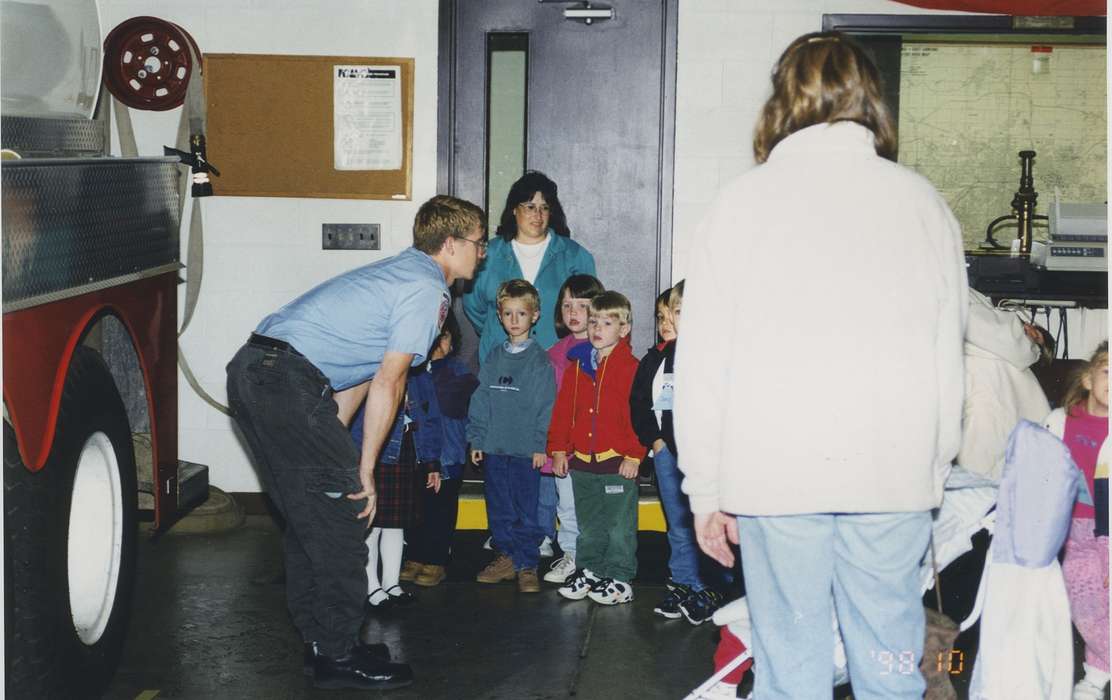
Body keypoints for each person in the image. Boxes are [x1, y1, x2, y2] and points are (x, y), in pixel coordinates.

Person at [674, 32, 967, 700]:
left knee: (792, 668)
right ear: (873, 98)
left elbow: (703, 366)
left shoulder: (739, 204)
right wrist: (933, 471)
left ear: (782, 99)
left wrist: (705, 491)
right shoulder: (923, 204)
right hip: (892, 475)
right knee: (892, 667)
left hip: (775, 476)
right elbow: (948, 361)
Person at [225, 194, 486, 690]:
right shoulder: (426, 289)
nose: (482, 252)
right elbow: (392, 381)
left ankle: (324, 642)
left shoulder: (398, 273)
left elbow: (360, 376)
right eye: (478, 243)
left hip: (260, 373)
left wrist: (342, 454)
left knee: (313, 520)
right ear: (450, 244)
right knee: (343, 519)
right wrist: (363, 470)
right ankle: (338, 657)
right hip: (284, 381)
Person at [630, 281, 724, 625]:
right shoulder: (656, 357)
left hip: (700, 454)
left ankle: (709, 587)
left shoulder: (708, 358)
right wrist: (654, 440)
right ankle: (684, 581)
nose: (667, 320)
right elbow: (640, 402)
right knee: (678, 523)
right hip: (666, 453)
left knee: (703, 519)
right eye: (663, 315)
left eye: (678, 313)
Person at [549, 291, 647, 605]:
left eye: (607, 322)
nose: (597, 328)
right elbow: (564, 410)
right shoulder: (579, 366)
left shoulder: (631, 367)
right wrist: (560, 448)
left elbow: (640, 414)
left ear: (624, 328)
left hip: (617, 463)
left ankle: (619, 577)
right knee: (588, 525)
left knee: (618, 526)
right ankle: (591, 570)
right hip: (582, 463)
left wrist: (634, 454)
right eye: (593, 321)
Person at [468, 279, 557, 593]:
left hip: (524, 452)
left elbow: (545, 407)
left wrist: (538, 445)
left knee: (525, 509)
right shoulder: (494, 356)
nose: (515, 320)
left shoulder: (539, 361)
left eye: (522, 313)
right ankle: (505, 557)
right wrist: (477, 439)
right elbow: (481, 399)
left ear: (534, 316)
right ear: (499, 316)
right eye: (508, 313)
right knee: (499, 506)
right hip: (494, 448)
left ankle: (527, 563)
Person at [463, 170, 596, 365]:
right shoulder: (488, 254)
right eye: (530, 206)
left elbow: (590, 310)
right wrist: (501, 331)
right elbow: (474, 307)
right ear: (514, 210)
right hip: (499, 362)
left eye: (544, 207)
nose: (538, 215)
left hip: (557, 363)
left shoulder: (575, 256)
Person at [1044, 342, 1109, 700]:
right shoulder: (1060, 421)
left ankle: (1095, 677)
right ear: (1087, 379)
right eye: (1108, 370)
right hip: (1075, 530)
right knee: (1084, 604)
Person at [352, 362, 442, 611]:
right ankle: (371, 586)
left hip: (406, 451)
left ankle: (391, 584)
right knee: (373, 521)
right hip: (375, 451)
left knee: (395, 523)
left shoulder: (420, 375)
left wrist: (432, 461)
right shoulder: (369, 368)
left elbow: (431, 417)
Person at [399, 314, 479, 588]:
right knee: (416, 509)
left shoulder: (458, 372)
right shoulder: (410, 371)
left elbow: (454, 405)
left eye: (442, 337)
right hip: (418, 456)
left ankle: (436, 559)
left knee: (441, 511)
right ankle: (415, 556)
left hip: (449, 455)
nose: (437, 344)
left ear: (452, 341)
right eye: (431, 337)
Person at [540, 274, 606, 584]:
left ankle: (597, 560)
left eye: (583, 305)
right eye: (567, 305)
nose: (574, 312)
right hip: (565, 448)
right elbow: (550, 406)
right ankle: (571, 555)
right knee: (567, 504)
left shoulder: (606, 350)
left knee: (595, 506)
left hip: (597, 448)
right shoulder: (555, 354)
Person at [958, 288, 1053, 480]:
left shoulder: (1020, 357)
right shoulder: (996, 320)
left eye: (1037, 339)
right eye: (1035, 330)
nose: (1031, 332)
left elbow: (972, 320)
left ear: (1037, 352)